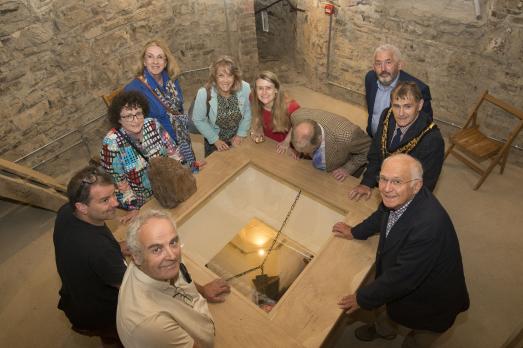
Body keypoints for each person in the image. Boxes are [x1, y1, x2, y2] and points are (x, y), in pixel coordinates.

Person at [333, 154, 469, 347]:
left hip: (433, 301)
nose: (386, 189)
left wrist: (362, 298)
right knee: (391, 311)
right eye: (383, 179)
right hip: (407, 287)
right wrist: (355, 232)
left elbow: (402, 277)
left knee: (418, 338)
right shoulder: (400, 198)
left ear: (416, 185)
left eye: (396, 181)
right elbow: (382, 214)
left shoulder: (428, 227)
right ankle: (383, 331)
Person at [117, 209, 231, 348]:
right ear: (136, 256)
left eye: (173, 242)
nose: (172, 255)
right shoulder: (151, 323)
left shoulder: (152, 266)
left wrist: (202, 290)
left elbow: (182, 279)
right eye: (156, 249)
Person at [53, 165, 127, 344]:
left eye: (113, 195)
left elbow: (88, 252)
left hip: (78, 302)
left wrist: (117, 247)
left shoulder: (66, 212)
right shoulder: (100, 250)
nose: (116, 203)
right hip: (105, 315)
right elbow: (133, 289)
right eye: (105, 200)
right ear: (82, 207)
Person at [349, 81, 444, 201]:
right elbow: (376, 153)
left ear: (420, 105)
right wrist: (367, 182)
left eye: (408, 106)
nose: (401, 113)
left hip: (405, 195)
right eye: (396, 106)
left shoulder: (432, 140)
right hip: (384, 181)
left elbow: (425, 184)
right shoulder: (387, 115)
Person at [100, 90, 184, 215]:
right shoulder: (111, 143)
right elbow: (118, 184)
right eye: (128, 116)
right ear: (118, 119)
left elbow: (173, 153)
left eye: (138, 113)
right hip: (142, 203)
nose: (135, 120)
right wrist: (132, 207)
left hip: (169, 188)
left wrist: (183, 174)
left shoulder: (152, 124)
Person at [125, 39, 197, 166]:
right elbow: (129, 126)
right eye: (150, 57)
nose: (155, 62)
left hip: (181, 137)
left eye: (160, 57)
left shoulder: (171, 80)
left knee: (189, 178)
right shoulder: (134, 89)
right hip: (159, 148)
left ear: (165, 62)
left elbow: (179, 109)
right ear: (144, 61)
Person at [365, 44, 432, 138]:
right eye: (378, 63)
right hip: (372, 138)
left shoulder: (419, 89)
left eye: (388, 62)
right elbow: (371, 110)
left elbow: (424, 126)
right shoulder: (370, 78)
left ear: (400, 65)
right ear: (373, 67)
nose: (383, 69)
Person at [192, 55, 252, 156]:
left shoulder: (245, 88)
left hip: (237, 139)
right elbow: (198, 119)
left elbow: (247, 112)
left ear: (235, 76)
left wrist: (240, 134)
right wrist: (215, 140)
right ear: (215, 77)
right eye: (221, 75)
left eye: (229, 75)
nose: (226, 80)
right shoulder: (204, 93)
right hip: (214, 141)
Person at [290, 108, 371, 181]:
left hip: (341, 166)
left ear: (319, 139)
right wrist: (297, 149)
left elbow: (369, 148)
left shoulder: (347, 136)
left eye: (306, 151)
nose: (304, 154)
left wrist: (347, 168)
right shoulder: (296, 116)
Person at [250, 71, 300, 155]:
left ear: (276, 89)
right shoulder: (252, 97)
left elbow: (298, 125)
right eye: (260, 88)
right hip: (267, 138)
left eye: (268, 88)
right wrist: (258, 128)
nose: (264, 92)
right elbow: (257, 112)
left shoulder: (291, 106)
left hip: (285, 141)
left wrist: (287, 142)